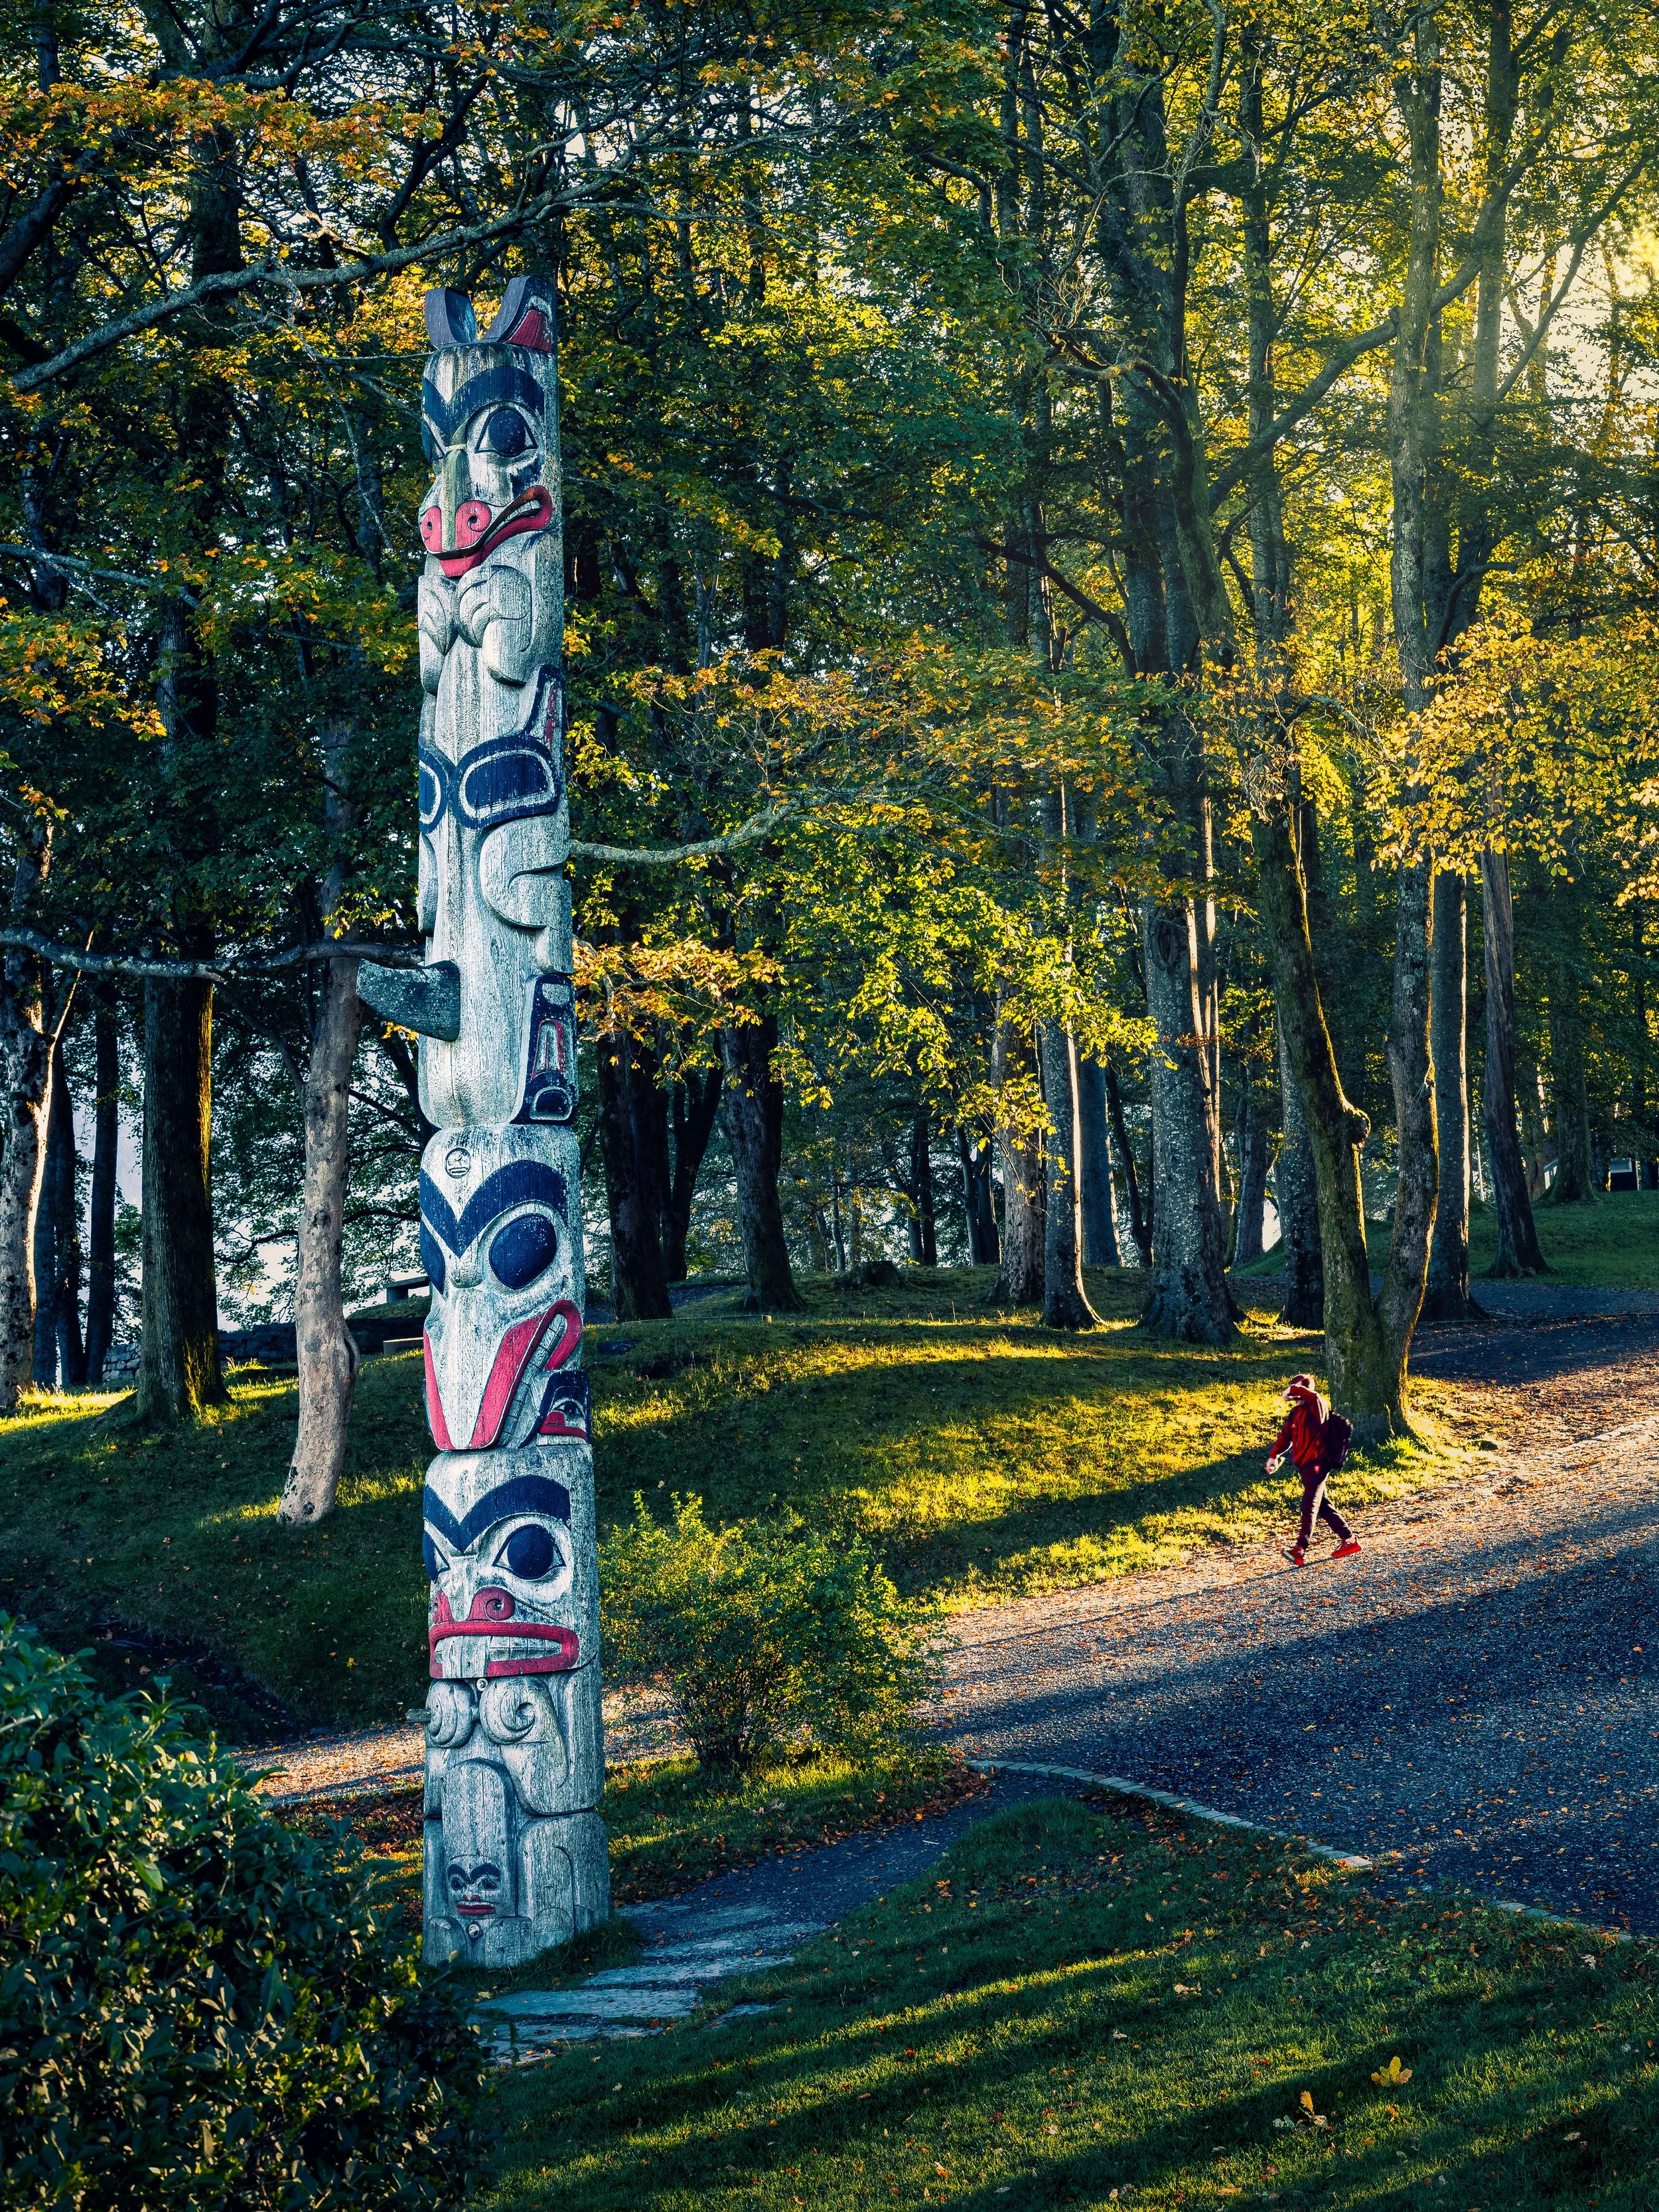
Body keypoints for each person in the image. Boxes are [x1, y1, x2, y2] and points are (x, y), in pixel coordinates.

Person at [1266, 1373, 1360, 1567]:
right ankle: (1350, 1541)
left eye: (1297, 1390)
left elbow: (1312, 1396)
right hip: (1305, 1465)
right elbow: (1285, 1438)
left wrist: (1293, 1391)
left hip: (1319, 1463)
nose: (1294, 1395)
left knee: (1309, 1505)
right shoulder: (1296, 1414)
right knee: (1323, 1506)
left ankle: (1300, 1549)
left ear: (1306, 1390)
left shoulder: (1318, 1406)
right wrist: (1272, 1456)